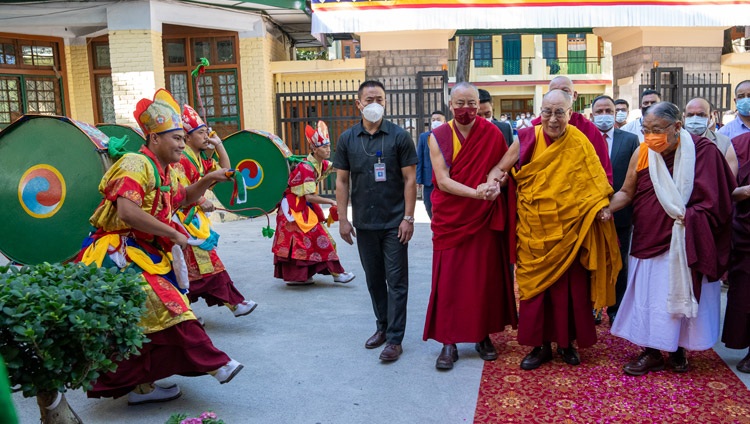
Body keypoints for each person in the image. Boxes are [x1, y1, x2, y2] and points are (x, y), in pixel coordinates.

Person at [77, 89, 243, 404]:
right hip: (119, 253)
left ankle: (143, 385)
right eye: (177, 138)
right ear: (154, 138)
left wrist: (210, 179)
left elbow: (181, 199)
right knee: (170, 308)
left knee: (146, 321)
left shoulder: (164, 169)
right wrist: (174, 233)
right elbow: (127, 211)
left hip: (145, 252)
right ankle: (217, 364)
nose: (182, 144)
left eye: (183, 138)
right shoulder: (135, 164)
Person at [490, 89, 621, 370]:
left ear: (570, 114)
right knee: (536, 293)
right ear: (540, 112)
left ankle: (566, 344)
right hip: (534, 229)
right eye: (547, 112)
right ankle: (539, 346)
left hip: (569, 231)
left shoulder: (580, 142)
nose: (552, 119)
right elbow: (500, 169)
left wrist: (600, 207)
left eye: (559, 112)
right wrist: (492, 183)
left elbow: (595, 183)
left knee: (570, 291)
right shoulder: (525, 138)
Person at [608, 102, 735, 376]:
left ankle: (679, 350)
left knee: (679, 295)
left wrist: (690, 217)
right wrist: (604, 208)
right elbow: (627, 192)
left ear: (677, 127)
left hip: (687, 239)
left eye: (657, 130)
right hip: (650, 236)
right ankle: (651, 352)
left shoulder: (704, 152)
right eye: (646, 130)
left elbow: (720, 200)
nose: (650, 137)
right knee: (651, 297)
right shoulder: (643, 152)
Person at [422, 82, 517, 371]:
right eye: (460, 103)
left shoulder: (492, 133)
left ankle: (482, 336)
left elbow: (501, 170)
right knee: (449, 281)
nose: (467, 109)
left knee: (483, 280)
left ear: (480, 105)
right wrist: (476, 193)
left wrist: (494, 184)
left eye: (472, 103)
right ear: (450, 105)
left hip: (485, 217)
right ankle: (448, 342)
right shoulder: (437, 136)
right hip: (454, 217)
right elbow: (443, 180)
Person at [335, 80, 417, 363]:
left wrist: (409, 218)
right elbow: (342, 180)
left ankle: (395, 339)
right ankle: (382, 327)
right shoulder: (347, 139)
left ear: (385, 102)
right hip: (365, 223)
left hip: (395, 223)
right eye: (369, 99)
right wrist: (343, 219)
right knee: (374, 280)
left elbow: (410, 179)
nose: (374, 103)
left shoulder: (399, 137)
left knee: (396, 280)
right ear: (358, 103)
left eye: (379, 99)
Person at [174, 104, 257, 318]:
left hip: (195, 221)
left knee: (194, 271)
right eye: (200, 133)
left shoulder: (200, 159)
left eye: (206, 132)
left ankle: (187, 313)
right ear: (187, 136)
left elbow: (226, 171)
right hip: (182, 220)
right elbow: (179, 189)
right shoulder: (181, 160)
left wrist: (219, 145)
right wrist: (200, 199)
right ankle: (234, 304)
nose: (205, 136)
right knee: (198, 268)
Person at [272, 121, 355, 285]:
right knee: (320, 239)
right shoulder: (306, 168)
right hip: (294, 210)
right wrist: (331, 201)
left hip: (302, 207)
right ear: (314, 149)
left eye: (329, 146)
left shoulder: (320, 163)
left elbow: (338, 167)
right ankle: (337, 274)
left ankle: (302, 276)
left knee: (311, 242)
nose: (328, 150)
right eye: (324, 147)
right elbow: (309, 197)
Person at [590, 95, 640, 326]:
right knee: (589, 261)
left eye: (608, 110)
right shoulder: (583, 139)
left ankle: (616, 308)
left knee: (619, 262)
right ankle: (591, 306)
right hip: (588, 213)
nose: (604, 115)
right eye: (599, 111)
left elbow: (635, 177)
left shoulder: (630, 140)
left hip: (619, 213)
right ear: (591, 115)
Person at [528, 76, 613, 183]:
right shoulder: (536, 127)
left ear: (574, 96)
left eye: (565, 91)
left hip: (579, 191)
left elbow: (602, 166)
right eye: (555, 91)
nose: (560, 95)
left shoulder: (587, 128)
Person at [722, 131, 750, 373]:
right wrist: (747, 190)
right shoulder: (739, 145)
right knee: (745, 294)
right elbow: (727, 190)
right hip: (746, 231)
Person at [684, 97, 738, 176]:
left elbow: (729, 179)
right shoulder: (674, 141)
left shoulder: (723, 142)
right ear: (684, 117)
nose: (695, 119)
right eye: (690, 115)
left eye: (701, 115)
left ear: (710, 117)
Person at [417, 111, 446, 219]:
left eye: (438, 120)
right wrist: (418, 179)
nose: (435, 122)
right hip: (428, 179)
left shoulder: (450, 136)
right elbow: (419, 158)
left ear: (444, 121)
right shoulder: (424, 137)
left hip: (445, 179)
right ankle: (434, 223)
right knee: (428, 205)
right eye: (433, 120)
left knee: (443, 206)